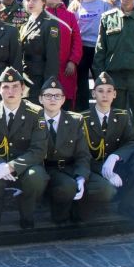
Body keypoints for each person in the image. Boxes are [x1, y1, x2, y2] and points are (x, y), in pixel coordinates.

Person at [0, 67, 48, 228]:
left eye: (15, 87)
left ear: (23, 89)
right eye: (5, 87)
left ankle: (27, 215)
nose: (10, 91)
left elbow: (39, 150)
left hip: (25, 164)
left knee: (36, 177)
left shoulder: (36, 113)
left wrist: (11, 166)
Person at [81, 72, 134, 221]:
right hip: (93, 168)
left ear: (115, 94)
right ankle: (89, 205)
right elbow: (80, 154)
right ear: (93, 94)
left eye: (108, 91)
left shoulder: (122, 116)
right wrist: (104, 169)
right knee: (106, 191)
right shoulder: (82, 118)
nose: (104, 95)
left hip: (116, 165)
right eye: (100, 91)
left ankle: (128, 205)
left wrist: (115, 156)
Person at [38, 76, 101, 224]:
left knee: (104, 188)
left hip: (70, 167)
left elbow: (83, 154)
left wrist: (81, 176)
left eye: (57, 95)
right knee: (67, 186)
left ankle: (80, 211)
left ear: (63, 99)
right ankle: (60, 216)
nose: (53, 99)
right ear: (40, 99)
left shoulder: (75, 120)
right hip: (48, 169)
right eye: (48, 95)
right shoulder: (33, 120)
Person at [68, 0, 109, 111]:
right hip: (82, 49)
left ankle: (103, 111)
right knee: (81, 84)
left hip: (99, 49)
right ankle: (83, 113)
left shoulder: (104, 5)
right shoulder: (75, 6)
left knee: (101, 81)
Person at [45, 0, 82, 111]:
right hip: (47, 68)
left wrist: (73, 61)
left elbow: (77, 40)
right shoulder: (40, 16)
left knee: (66, 102)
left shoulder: (70, 16)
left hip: (66, 68)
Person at [19, 0, 60, 99]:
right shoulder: (25, 25)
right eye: (28, 0)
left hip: (40, 78)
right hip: (25, 77)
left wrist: (49, 86)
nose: (30, 3)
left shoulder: (50, 24)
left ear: (43, 1)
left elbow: (52, 58)